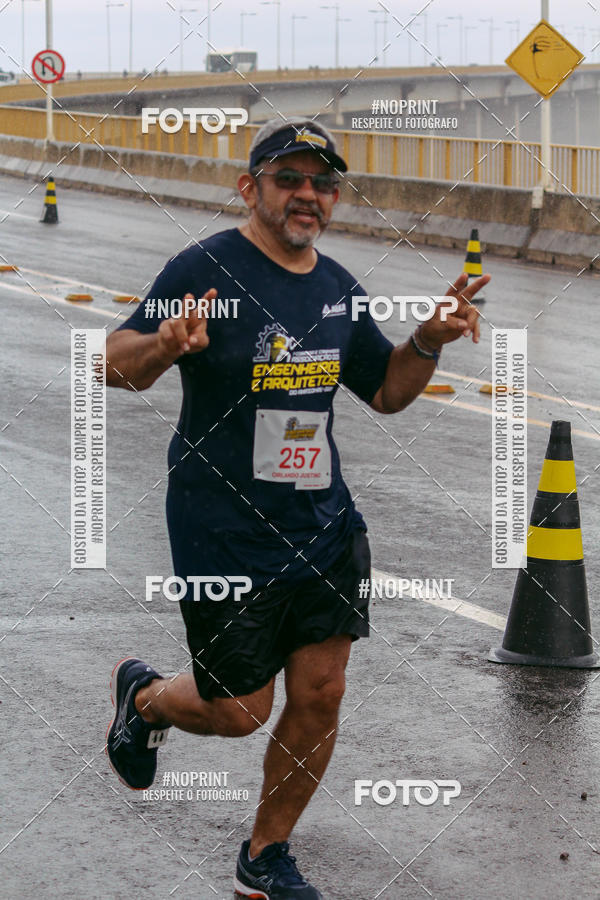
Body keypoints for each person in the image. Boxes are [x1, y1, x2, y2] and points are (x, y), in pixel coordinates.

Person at [104, 116, 489, 899]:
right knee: (240, 711)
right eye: (290, 179)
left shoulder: (337, 286)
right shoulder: (204, 265)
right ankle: (145, 698)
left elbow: (386, 392)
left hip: (323, 523)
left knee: (322, 694)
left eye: (322, 183)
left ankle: (265, 854)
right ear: (252, 188)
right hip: (223, 526)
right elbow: (115, 366)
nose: (308, 195)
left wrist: (429, 340)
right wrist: (165, 345)